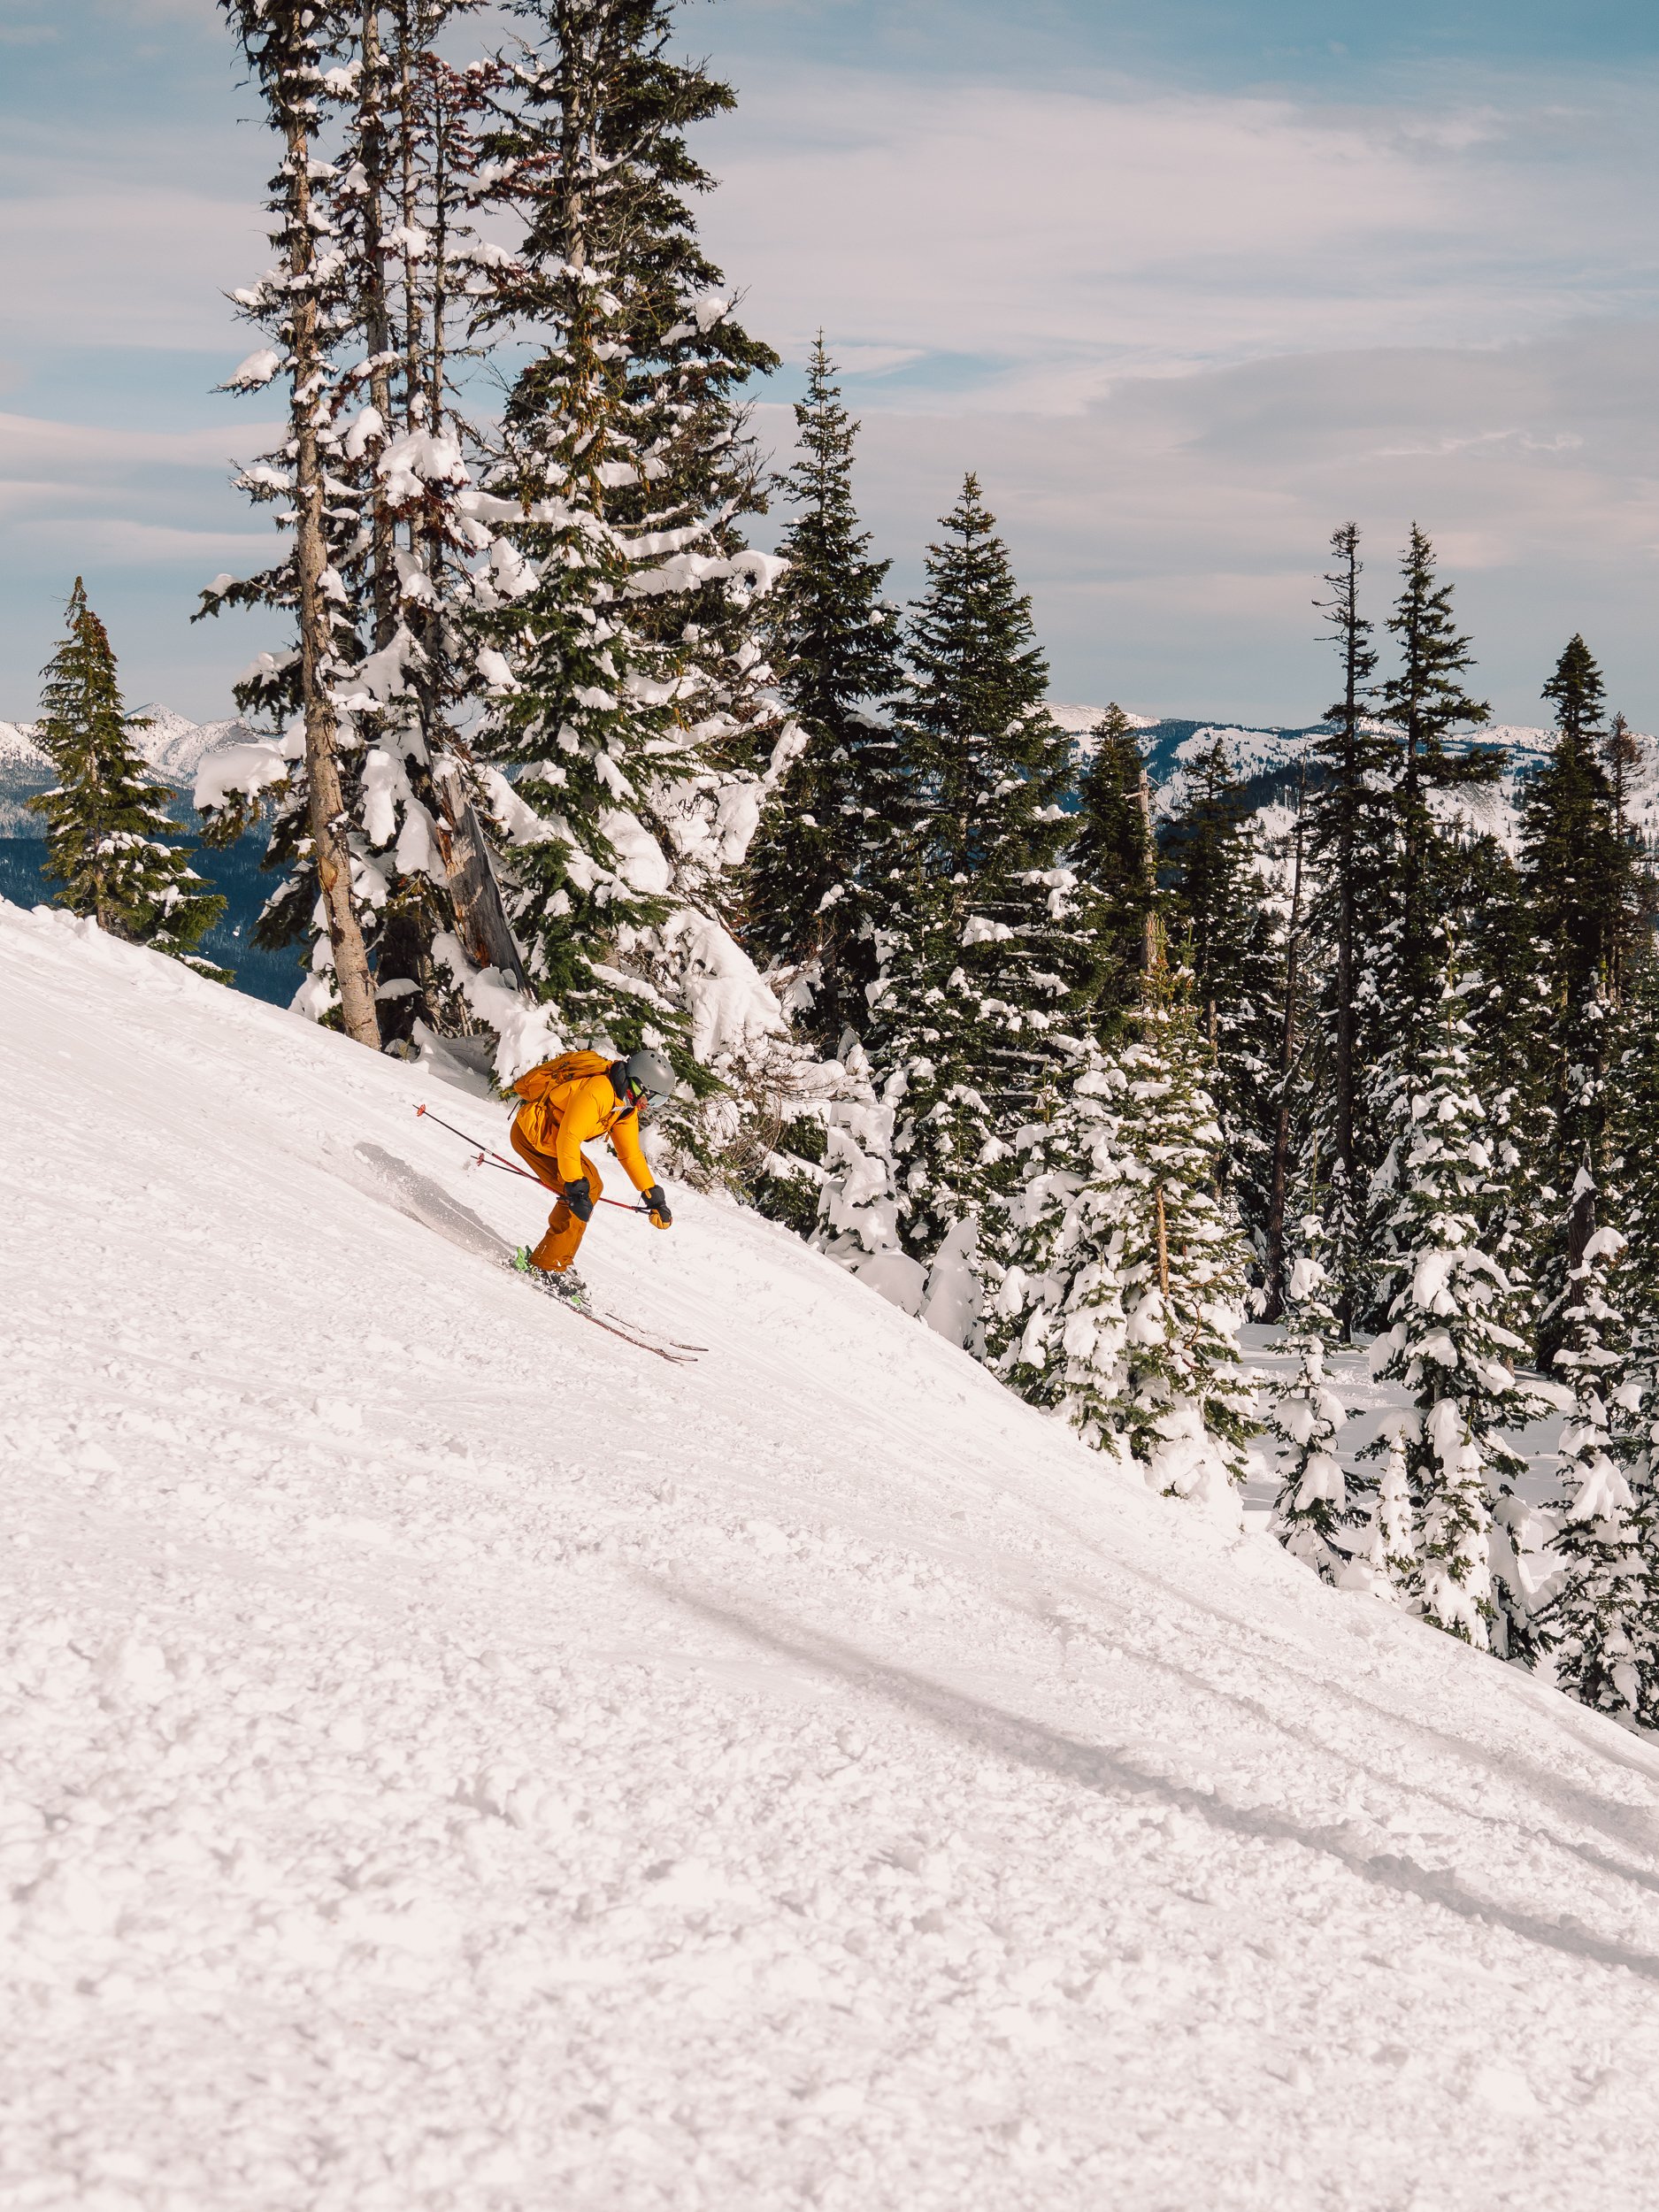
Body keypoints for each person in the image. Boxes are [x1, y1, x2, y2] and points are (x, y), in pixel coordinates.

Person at [509, 1047, 675, 1301]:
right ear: (638, 1083)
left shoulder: (624, 1106)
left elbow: (630, 1155)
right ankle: (547, 1264)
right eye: (651, 1098)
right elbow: (569, 1137)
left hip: (553, 1140)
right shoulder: (598, 1091)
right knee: (586, 1188)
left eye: (658, 1102)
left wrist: (653, 1195)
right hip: (534, 1135)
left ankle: (557, 1259)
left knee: (591, 1186)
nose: (648, 1106)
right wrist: (574, 1185)